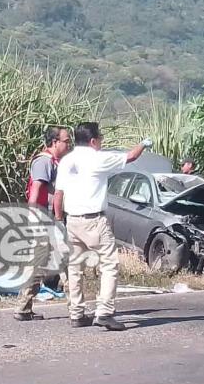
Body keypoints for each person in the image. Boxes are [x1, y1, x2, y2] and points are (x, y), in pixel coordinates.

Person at [53, 122, 152, 329]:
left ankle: (76, 313)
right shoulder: (98, 159)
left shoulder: (66, 161)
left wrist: (59, 218)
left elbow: (59, 194)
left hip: (72, 220)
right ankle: (104, 311)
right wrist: (143, 143)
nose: (102, 142)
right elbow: (131, 156)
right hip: (94, 220)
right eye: (100, 138)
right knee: (109, 264)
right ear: (93, 141)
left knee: (75, 268)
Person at [13, 126, 72, 322]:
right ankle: (75, 307)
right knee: (60, 263)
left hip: (48, 219)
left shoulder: (53, 162)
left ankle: (24, 308)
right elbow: (37, 191)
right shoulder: (44, 162)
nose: (68, 144)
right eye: (66, 141)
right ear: (55, 142)